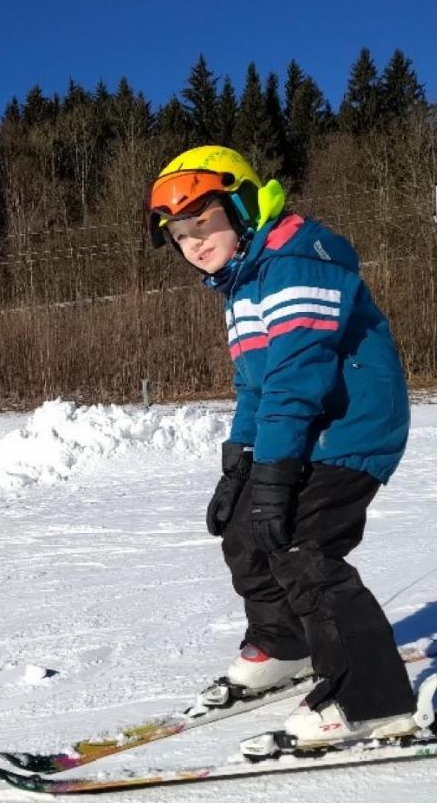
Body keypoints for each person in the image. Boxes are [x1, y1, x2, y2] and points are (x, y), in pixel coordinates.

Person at [147, 145, 418, 748]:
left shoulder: (295, 261)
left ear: (241, 209)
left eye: (204, 224)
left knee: (302, 544)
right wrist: (239, 464)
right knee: (247, 530)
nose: (193, 243)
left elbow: (299, 378)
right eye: (180, 235)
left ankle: (375, 701)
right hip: (306, 429)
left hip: (348, 428)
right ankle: (285, 645)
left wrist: (274, 473)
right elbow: (256, 385)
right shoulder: (242, 283)